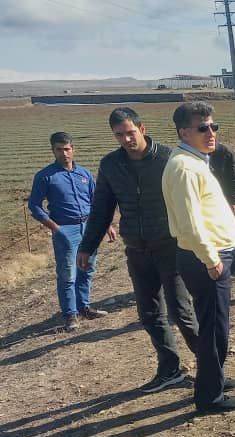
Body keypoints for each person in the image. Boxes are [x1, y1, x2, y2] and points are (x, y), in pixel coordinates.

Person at [79, 107, 202, 393]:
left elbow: (194, 201)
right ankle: (170, 369)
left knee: (181, 312)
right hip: (137, 250)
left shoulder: (168, 158)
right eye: (119, 135)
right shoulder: (111, 165)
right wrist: (87, 247)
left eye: (130, 132)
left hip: (171, 246)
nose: (126, 139)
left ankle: (211, 366)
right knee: (149, 314)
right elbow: (101, 210)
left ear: (142, 129)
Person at [162, 102, 235, 414]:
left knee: (217, 326)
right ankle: (209, 397)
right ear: (184, 132)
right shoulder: (184, 167)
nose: (211, 133)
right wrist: (211, 259)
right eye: (203, 128)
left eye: (214, 126)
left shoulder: (194, 160)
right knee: (213, 329)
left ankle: (215, 379)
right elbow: (189, 223)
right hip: (205, 257)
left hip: (209, 253)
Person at [29, 132, 112, 331]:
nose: (64, 153)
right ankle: (70, 315)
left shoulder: (84, 174)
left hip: (89, 227)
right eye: (59, 149)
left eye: (67, 149)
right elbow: (34, 205)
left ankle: (84, 307)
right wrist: (55, 228)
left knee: (87, 268)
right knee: (67, 274)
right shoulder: (45, 176)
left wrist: (107, 224)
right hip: (65, 229)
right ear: (53, 150)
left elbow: (96, 201)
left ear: (73, 149)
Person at [209, 142, 235, 274]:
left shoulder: (225, 152)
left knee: (227, 234)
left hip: (226, 202)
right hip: (208, 203)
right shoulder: (195, 154)